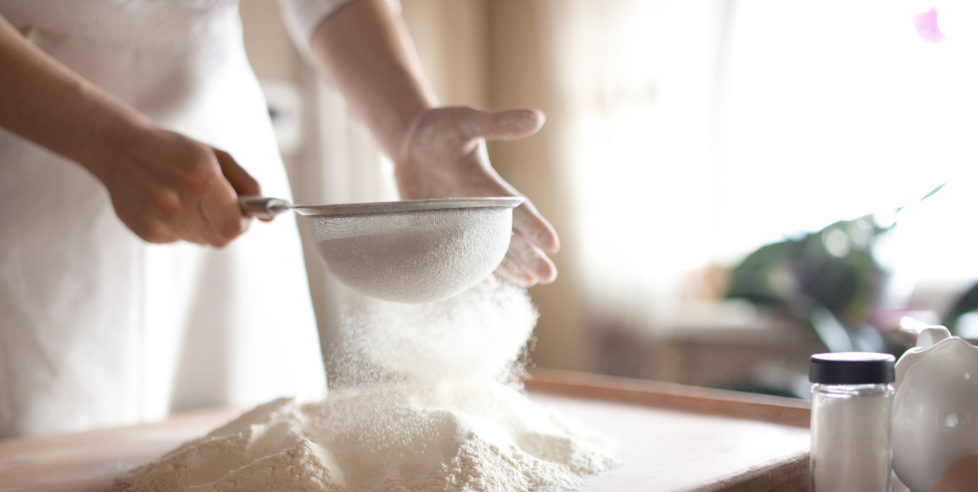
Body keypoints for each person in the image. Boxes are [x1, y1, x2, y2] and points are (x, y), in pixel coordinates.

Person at [0, 0, 559, 438]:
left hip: (219, 120)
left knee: (254, 441)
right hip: (36, 126)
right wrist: (106, 142)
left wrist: (407, 129)